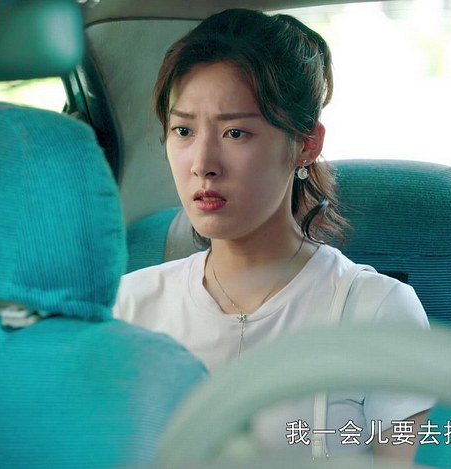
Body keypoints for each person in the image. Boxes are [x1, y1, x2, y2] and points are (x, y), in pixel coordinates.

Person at [113, 9, 431, 461]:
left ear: (306, 145)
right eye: (183, 130)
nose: (202, 163)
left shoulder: (375, 311)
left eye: (235, 132)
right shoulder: (129, 308)